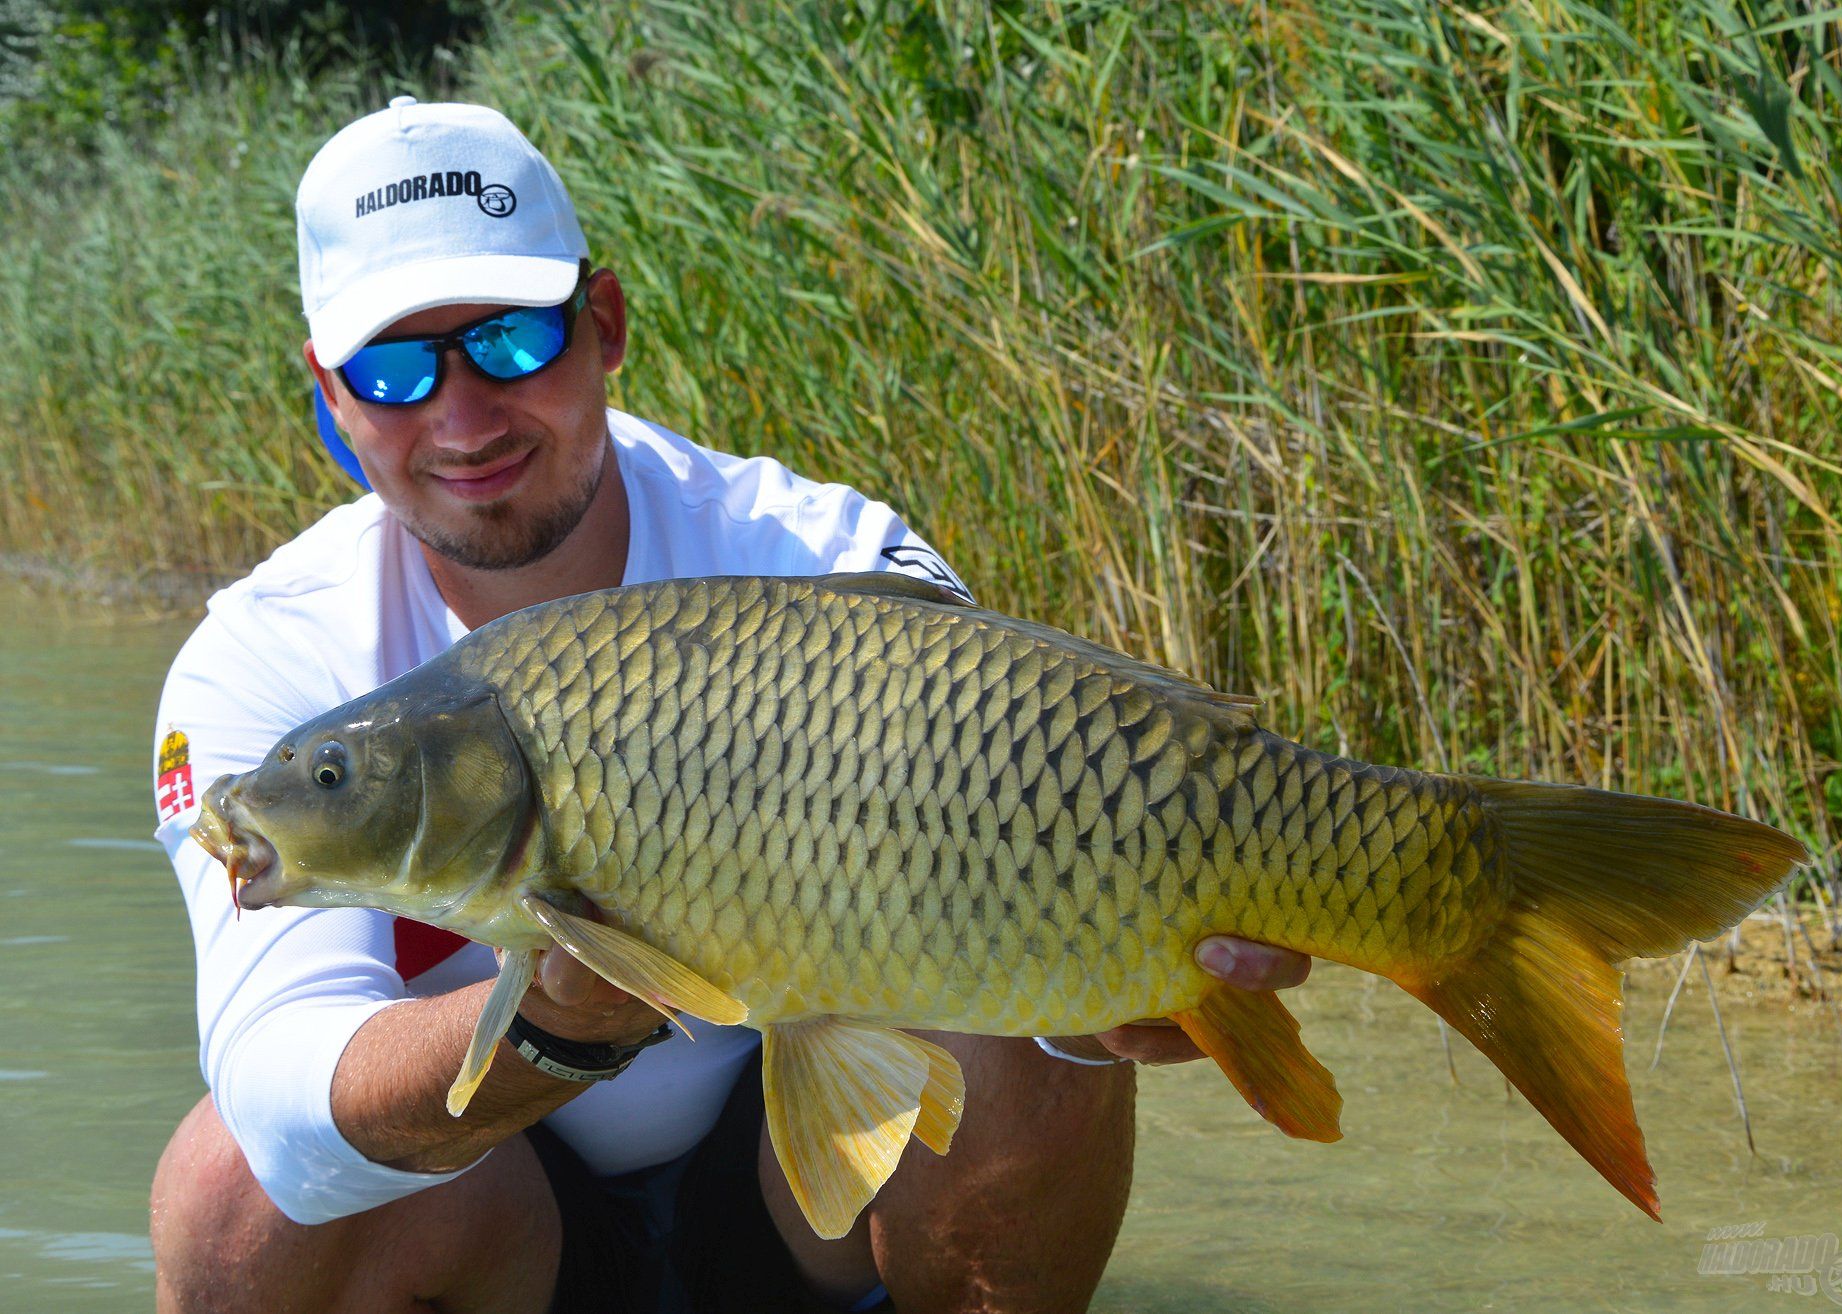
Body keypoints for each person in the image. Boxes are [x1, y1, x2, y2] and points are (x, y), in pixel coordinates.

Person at [147, 97, 1312, 1314]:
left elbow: (1041, 788)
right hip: (494, 1228)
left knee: (1042, 1051)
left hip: (787, 1201)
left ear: (601, 325)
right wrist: (558, 1028)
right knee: (229, 1194)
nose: (462, 416)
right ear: (331, 394)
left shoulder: (813, 551)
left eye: (507, 343)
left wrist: (1113, 1001)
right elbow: (280, 1105)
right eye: (393, 367)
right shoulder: (265, 654)